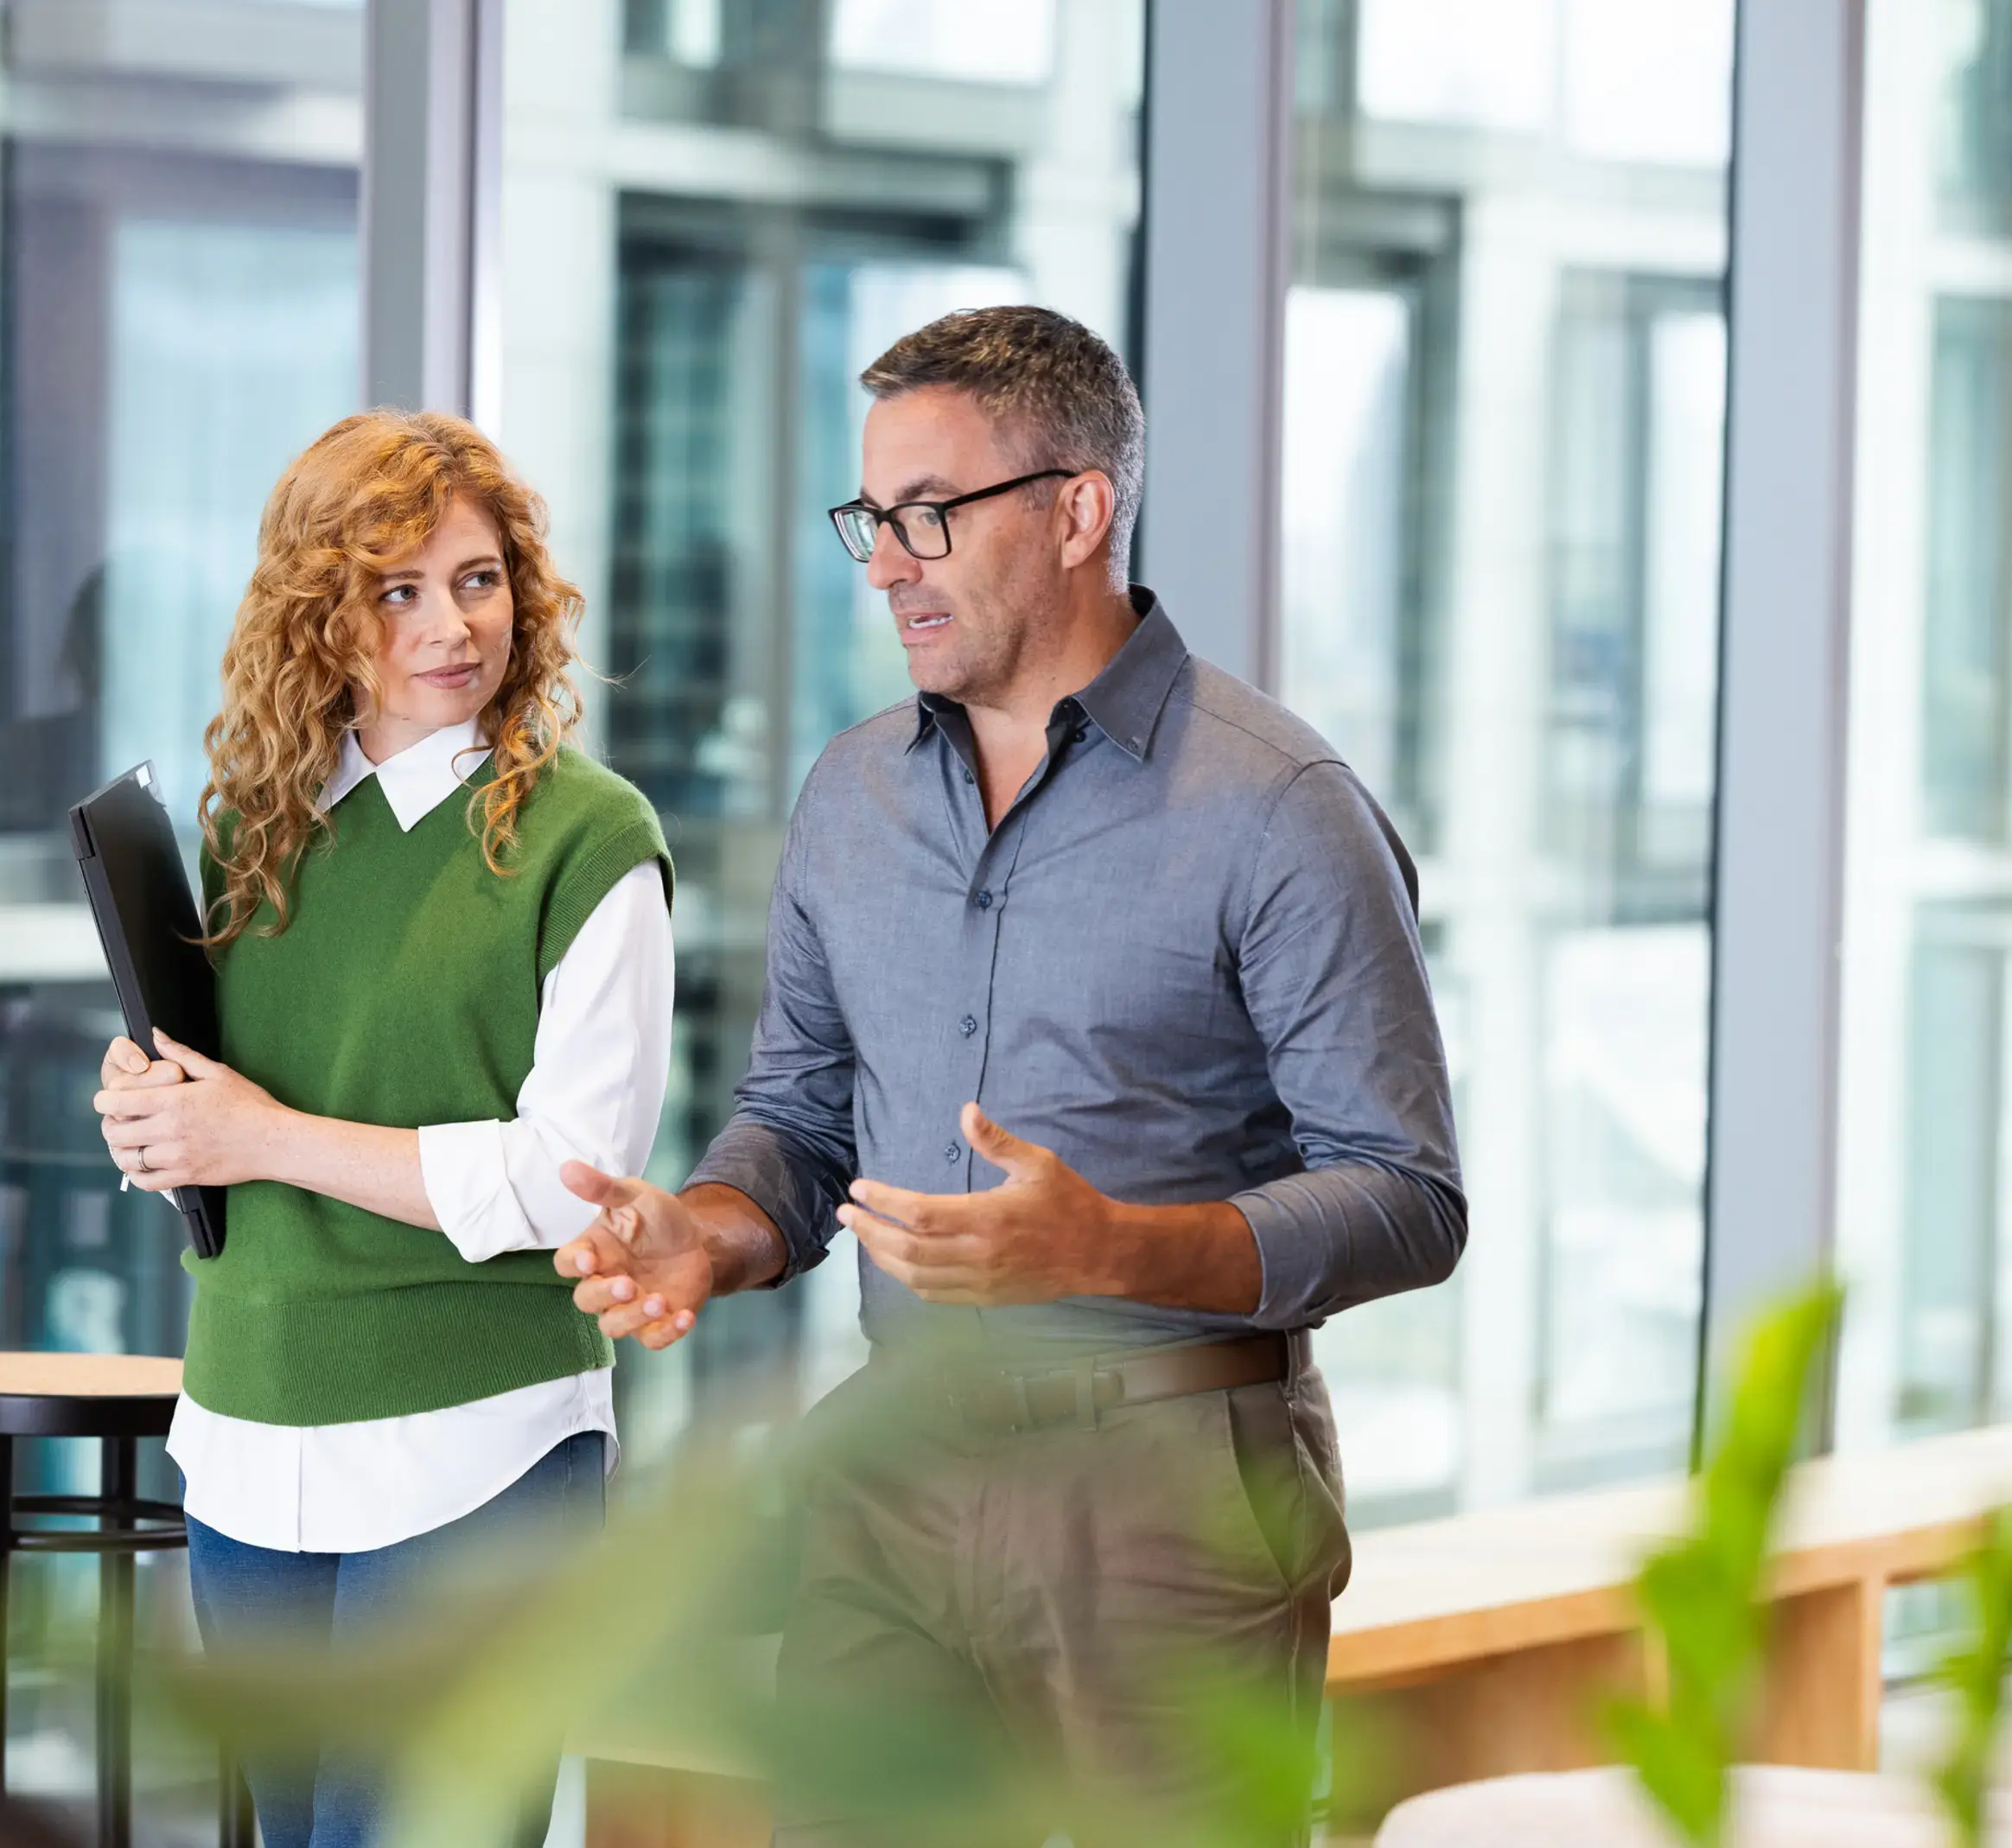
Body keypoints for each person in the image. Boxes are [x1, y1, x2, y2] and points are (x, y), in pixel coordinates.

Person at [557, 306, 1467, 1845]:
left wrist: (1111, 1245)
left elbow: (1408, 1193)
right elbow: (798, 1114)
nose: (886, 560)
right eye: (871, 518)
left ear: (1077, 510)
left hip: (1172, 1492)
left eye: (929, 515)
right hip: (894, 1470)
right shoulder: (851, 794)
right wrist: (703, 1229)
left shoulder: (1278, 806)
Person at [89, 411, 672, 1848]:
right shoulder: (252, 826)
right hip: (245, 1429)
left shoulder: (588, 842)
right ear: (319, 611)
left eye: (477, 578)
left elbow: (564, 1182)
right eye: (396, 589)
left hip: (477, 1445)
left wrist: (264, 1135)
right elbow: (217, 1118)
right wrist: (151, 1117)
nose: (449, 624)